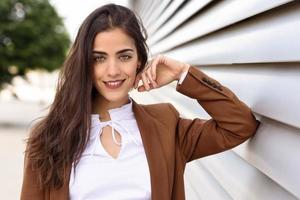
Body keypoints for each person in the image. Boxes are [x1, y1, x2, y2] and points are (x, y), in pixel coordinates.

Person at [20, 3, 260, 200]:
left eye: (124, 56)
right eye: (99, 58)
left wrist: (184, 74)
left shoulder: (165, 125)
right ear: (85, 64)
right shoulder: (49, 136)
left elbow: (240, 125)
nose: (112, 70)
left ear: (139, 60)